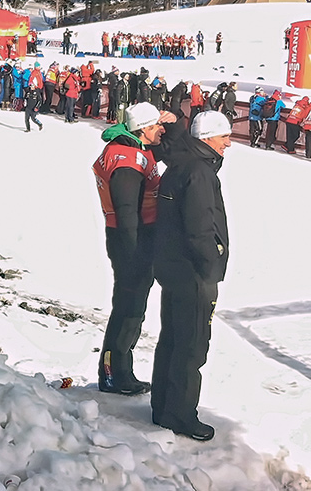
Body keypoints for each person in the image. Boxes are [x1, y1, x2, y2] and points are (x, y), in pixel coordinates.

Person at [151, 111, 231, 441]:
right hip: (192, 272)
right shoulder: (199, 171)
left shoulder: (180, 164)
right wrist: (211, 264)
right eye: (224, 136)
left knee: (172, 338)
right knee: (192, 345)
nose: (229, 142)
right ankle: (182, 415)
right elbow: (199, 229)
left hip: (172, 266)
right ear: (208, 137)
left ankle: (164, 408)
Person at [92, 103, 176, 396]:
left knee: (132, 308)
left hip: (135, 237)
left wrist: (171, 119)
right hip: (130, 239)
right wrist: (134, 254)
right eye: (156, 127)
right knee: (128, 309)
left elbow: (168, 148)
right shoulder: (127, 160)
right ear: (143, 129)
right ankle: (114, 375)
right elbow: (126, 211)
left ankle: (119, 371)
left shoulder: (134, 146)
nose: (161, 131)